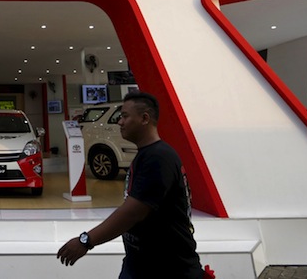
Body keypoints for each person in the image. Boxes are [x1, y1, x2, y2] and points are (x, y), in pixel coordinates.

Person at [57, 92, 206, 279]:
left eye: (125, 116)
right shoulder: (148, 155)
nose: (120, 122)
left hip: (167, 269)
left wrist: (85, 240)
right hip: (142, 265)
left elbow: (133, 211)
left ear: (145, 118)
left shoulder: (158, 158)